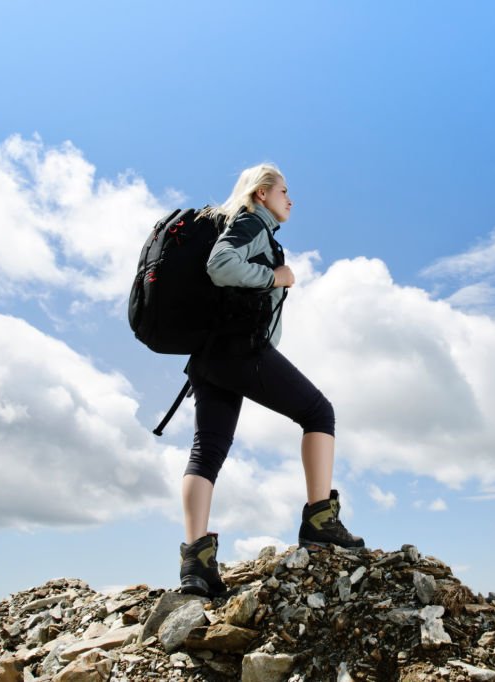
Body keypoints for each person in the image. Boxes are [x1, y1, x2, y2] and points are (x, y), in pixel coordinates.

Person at [177, 163, 364, 598]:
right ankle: (320, 521)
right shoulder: (249, 223)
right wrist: (275, 277)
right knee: (319, 412)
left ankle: (195, 565)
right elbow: (220, 265)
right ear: (261, 194)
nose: (290, 198)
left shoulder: (243, 226)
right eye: (283, 190)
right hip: (241, 350)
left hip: (209, 357)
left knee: (207, 451)